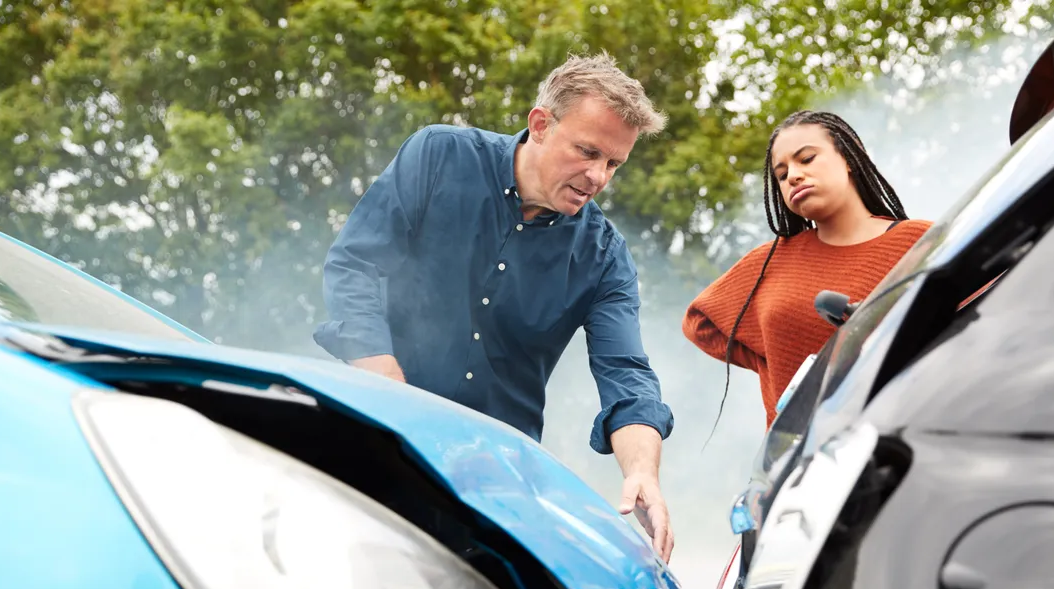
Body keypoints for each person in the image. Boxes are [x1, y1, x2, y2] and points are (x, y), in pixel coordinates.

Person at [313, 53, 676, 561]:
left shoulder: (604, 256)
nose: (598, 176)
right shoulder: (439, 155)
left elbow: (627, 375)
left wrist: (641, 472)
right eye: (588, 151)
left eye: (613, 163)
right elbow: (355, 265)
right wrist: (392, 393)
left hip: (490, 488)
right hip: (372, 439)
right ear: (541, 124)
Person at [682, 110, 933, 430]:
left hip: (901, 440)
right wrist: (775, 360)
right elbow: (700, 322)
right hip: (796, 462)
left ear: (849, 156)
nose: (794, 177)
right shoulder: (770, 261)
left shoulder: (918, 241)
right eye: (782, 175)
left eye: (807, 159)